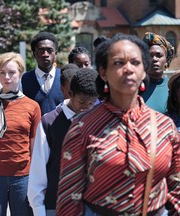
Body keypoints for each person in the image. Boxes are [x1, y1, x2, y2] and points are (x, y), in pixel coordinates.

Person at [56, 33, 180, 215]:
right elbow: (68, 198)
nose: (128, 69)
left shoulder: (164, 126)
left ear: (144, 71)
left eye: (135, 62)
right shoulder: (82, 127)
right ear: (103, 72)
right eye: (118, 62)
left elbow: (177, 186)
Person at [0, 52, 41, 216]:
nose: (7, 77)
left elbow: (36, 148)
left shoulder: (32, 106)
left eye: (12, 72)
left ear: (20, 74)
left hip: (23, 177)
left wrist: (36, 182)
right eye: (2, 72)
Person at [28, 68, 99, 216]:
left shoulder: (98, 120)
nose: (86, 107)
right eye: (82, 102)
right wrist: (39, 210)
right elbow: (38, 172)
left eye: (91, 103)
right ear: (70, 94)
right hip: (56, 206)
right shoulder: (49, 122)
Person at [21, 31, 64, 115]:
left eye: (49, 50)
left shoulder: (64, 77)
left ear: (55, 53)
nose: (45, 54)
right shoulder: (25, 79)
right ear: (34, 54)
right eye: (41, 50)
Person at [141, 32, 175, 113]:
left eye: (159, 55)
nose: (154, 59)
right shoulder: (136, 89)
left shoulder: (174, 88)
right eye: (150, 55)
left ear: (167, 60)